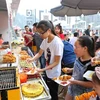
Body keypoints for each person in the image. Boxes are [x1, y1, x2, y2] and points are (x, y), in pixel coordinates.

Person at [27, 20, 64, 100]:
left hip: (54, 73)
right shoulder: (45, 40)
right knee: (49, 90)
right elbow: (39, 53)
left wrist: (42, 69)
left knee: (53, 94)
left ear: (49, 30)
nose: (40, 35)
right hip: (48, 71)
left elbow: (57, 62)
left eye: (41, 33)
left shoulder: (57, 43)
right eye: (38, 33)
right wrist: (31, 59)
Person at [65, 36, 96, 100]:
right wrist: (71, 70)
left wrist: (74, 81)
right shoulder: (79, 57)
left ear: (85, 48)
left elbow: (91, 84)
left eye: (76, 47)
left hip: (83, 94)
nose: (74, 49)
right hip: (72, 88)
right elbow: (79, 70)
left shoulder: (92, 64)